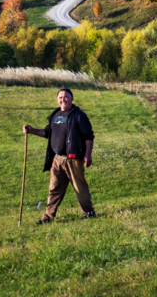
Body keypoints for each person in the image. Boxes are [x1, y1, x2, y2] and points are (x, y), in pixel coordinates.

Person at [23, 88, 96, 224]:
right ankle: (48, 217)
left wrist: (88, 155)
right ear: (57, 100)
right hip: (57, 159)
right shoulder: (55, 115)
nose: (63, 100)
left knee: (80, 187)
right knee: (54, 188)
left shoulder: (78, 115)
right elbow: (47, 132)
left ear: (71, 99)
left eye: (66, 97)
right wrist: (31, 130)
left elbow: (89, 136)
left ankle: (89, 212)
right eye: (60, 98)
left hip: (73, 159)